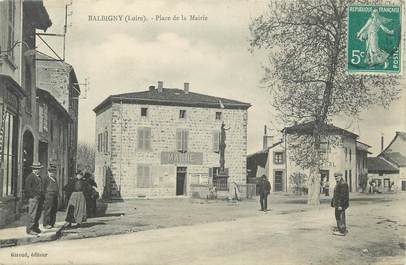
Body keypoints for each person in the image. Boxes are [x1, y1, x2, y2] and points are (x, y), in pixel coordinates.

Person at [25, 162, 45, 235]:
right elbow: (27, 188)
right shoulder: (30, 177)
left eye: (39, 169)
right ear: (33, 169)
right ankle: (30, 229)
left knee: (38, 214)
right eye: (36, 169)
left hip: (40, 198)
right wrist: (33, 196)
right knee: (32, 214)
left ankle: (35, 228)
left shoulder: (39, 177)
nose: (37, 170)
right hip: (34, 198)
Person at [43, 164, 59, 229]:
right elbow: (43, 188)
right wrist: (45, 196)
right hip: (48, 196)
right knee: (48, 210)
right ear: (48, 172)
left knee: (54, 210)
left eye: (53, 172)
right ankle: (46, 224)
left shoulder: (54, 179)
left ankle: (52, 223)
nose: (52, 173)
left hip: (55, 196)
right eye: (51, 172)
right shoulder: (46, 179)